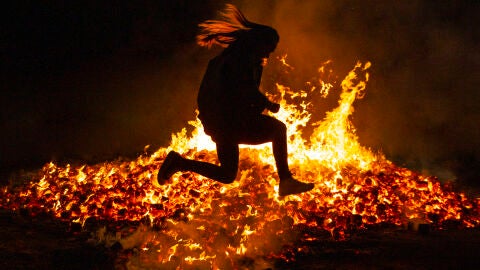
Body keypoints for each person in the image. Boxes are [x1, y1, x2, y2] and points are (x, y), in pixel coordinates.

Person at [157, 4, 314, 196]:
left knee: (227, 174)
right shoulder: (240, 59)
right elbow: (243, 88)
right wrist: (267, 104)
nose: (269, 53)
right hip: (227, 121)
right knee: (278, 130)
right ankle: (286, 181)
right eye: (269, 48)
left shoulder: (235, 58)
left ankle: (179, 162)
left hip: (221, 123)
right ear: (258, 43)